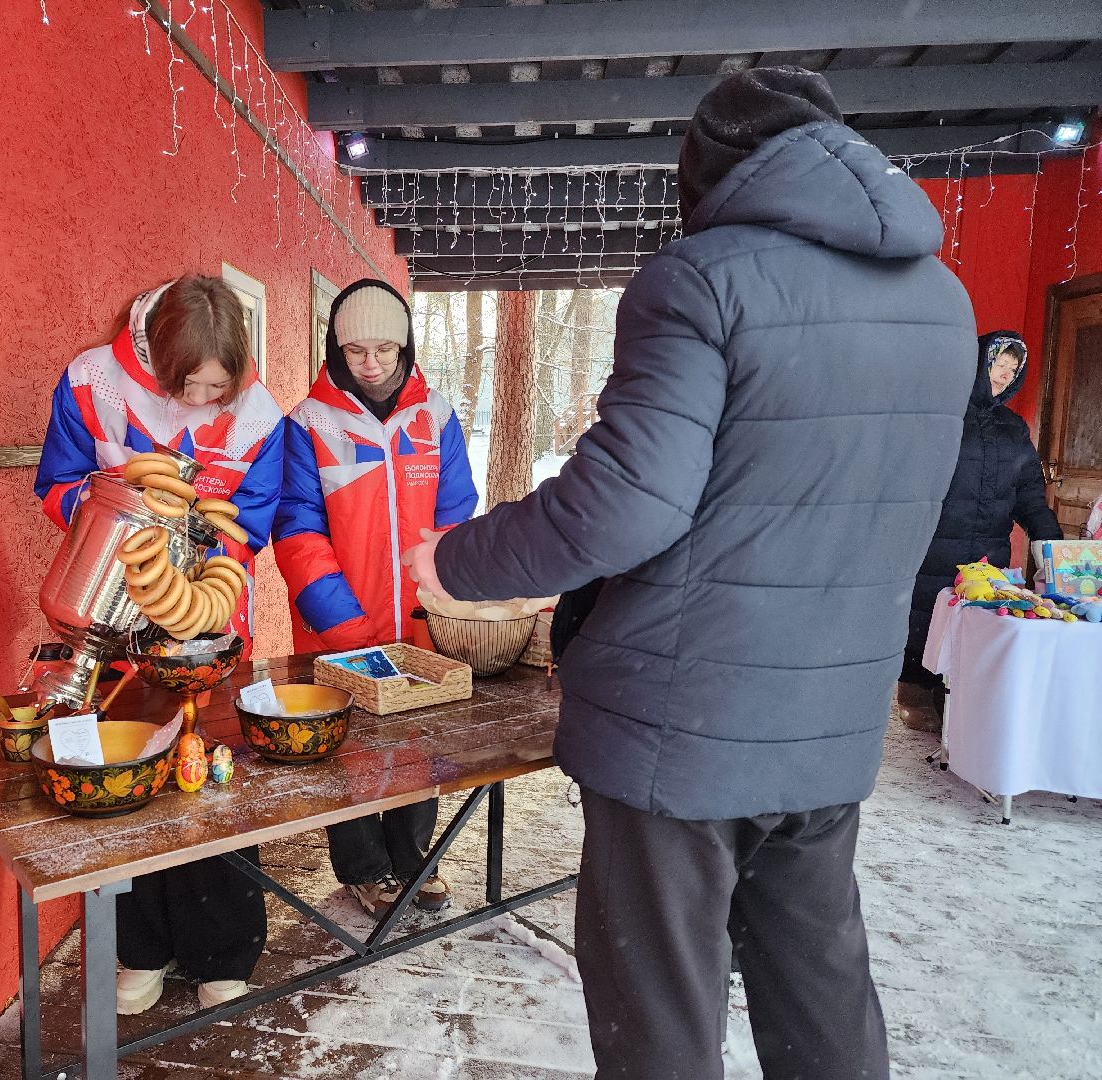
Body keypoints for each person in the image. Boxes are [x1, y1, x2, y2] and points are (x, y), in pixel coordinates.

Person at [405, 68, 976, 1079]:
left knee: (660, 1016)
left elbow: (625, 504)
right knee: (820, 990)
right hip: (831, 720)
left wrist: (459, 563)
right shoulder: (943, 300)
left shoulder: (702, 278)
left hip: (680, 733)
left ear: (707, 172)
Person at [35, 274, 284, 1012]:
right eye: (194, 386)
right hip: (109, 616)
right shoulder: (90, 383)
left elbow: (256, 517)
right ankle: (139, 950)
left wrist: (204, 574)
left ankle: (223, 952)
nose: (209, 401)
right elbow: (56, 482)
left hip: (207, 634)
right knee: (127, 789)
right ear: (161, 360)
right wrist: (115, 509)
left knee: (210, 783)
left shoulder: (259, 415)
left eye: (221, 387)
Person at [273, 279, 478, 920]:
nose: (372, 363)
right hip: (339, 625)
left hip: (417, 622)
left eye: (385, 349)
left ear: (405, 346)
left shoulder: (435, 417)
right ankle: (364, 868)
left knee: (419, 740)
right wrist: (346, 625)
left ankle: (416, 856)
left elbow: (456, 517)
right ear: (337, 348)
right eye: (357, 349)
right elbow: (298, 532)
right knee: (352, 745)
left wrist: (442, 604)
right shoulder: (307, 424)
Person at [899, 332, 1062, 728]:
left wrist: (1051, 542)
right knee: (925, 613)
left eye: (1012, 368)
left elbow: (1029, 495)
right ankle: (914, 690)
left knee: (978, 620)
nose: (1004, 375)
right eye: (998, 364)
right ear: (977, 364)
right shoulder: (942, 416)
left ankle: (953, 693)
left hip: (989, 553)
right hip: (935, 544)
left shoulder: (1014, 429)